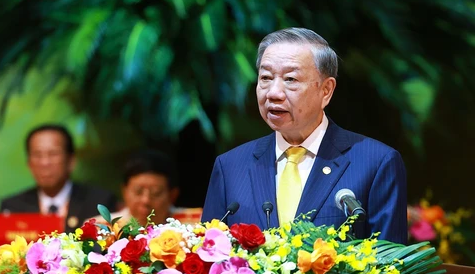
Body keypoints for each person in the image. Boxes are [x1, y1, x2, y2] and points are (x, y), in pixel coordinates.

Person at [201, 27, 407, 244]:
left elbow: (390, 267)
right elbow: (210, 258)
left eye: (290, 79)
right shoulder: (230, 167)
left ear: (326, 90)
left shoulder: (375, 163)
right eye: (266, 77)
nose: (273, 93)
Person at [0, 124, 118, 233]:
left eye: (53, 154)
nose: (45, 163)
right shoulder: (12, 208)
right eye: (37, 155)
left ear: (71, 161)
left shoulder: (99, 202)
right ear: (29, 163)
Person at [93, 149, 200, 227]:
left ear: (172, 195)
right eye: (138, 191)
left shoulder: (197, 224)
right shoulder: (101, 227)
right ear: (124, 192)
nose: (146, 200)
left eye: (156, 193)